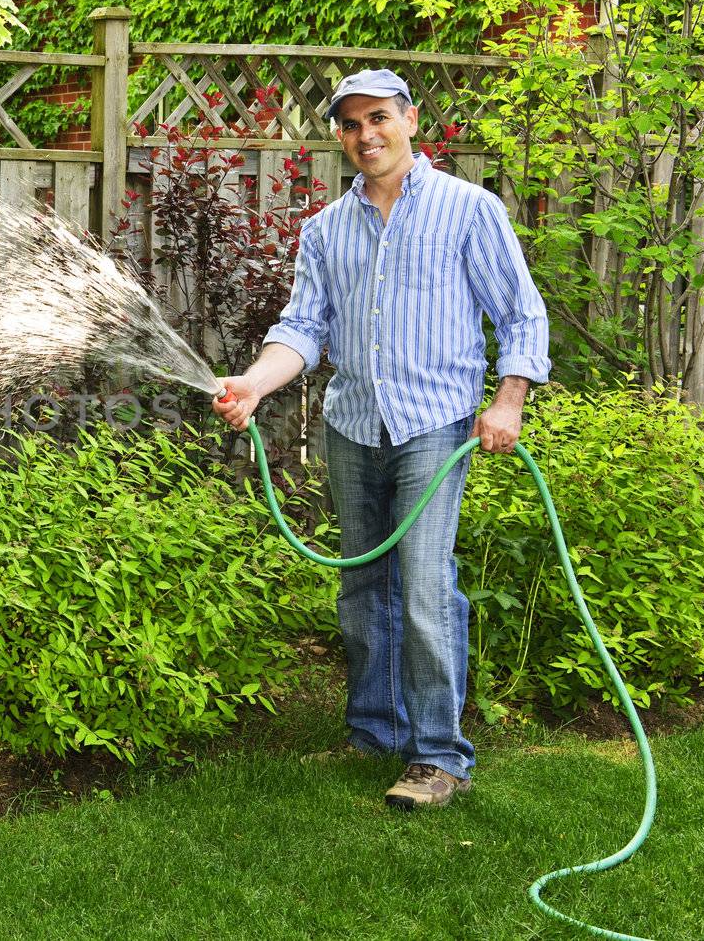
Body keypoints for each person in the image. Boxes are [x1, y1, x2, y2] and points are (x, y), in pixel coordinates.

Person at [212, 68, 550, 810]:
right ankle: (373, 729)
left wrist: (509, 400)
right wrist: (254, 383)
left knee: (425, 586)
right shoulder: (326, 229)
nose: (365, 135)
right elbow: (301, 329)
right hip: (353, 426)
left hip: (434, 425)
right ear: (339, 134)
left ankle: (439, 755)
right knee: (364, 585)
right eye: (350, 124)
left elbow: (521, 316)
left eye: (378, 119)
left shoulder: (468, 210)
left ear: (409, 119)